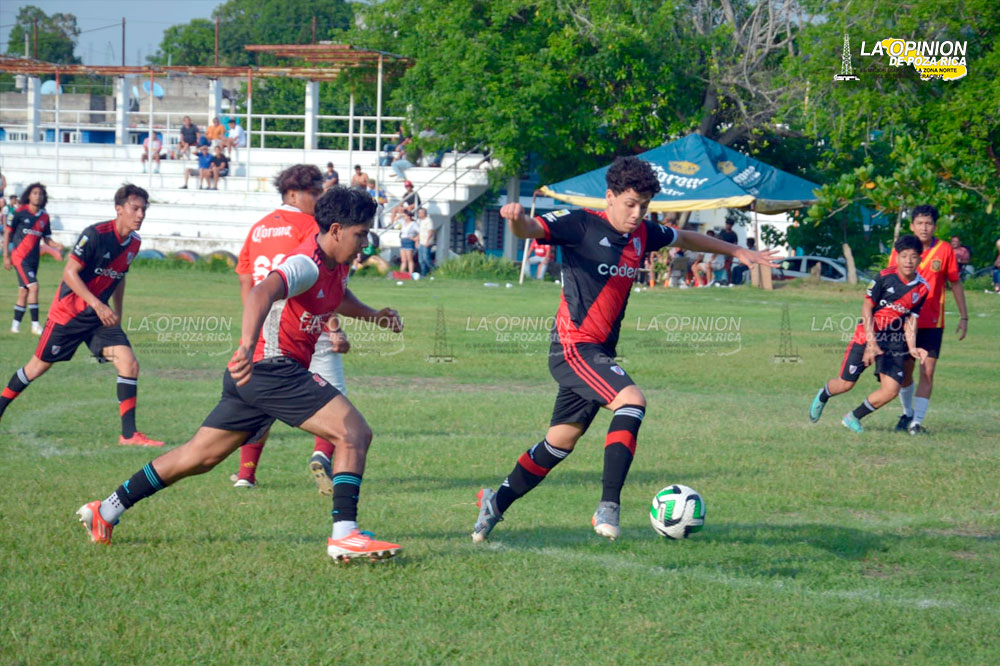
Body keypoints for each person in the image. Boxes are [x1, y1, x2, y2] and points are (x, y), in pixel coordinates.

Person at [76, 187, 404, 561]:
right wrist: (247, 347)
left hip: (257, 378)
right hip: (273, 369)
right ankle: (345, 534)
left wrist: (374, 316)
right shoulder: (307, 262)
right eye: (360, 234)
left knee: (197, 457)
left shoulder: (337, 263)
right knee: (354, 433)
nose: (364, 244)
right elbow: (262, 291)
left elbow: (337, 296)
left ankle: (106, 510)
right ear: (334, 229)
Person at [472, 156, 779, 543]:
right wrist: (515, 218)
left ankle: (494, 502)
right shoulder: (580, 223)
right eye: (630, 204)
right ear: (610, 197)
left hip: (599, 353)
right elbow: (530, 229)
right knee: (632, 401)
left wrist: (738, 253)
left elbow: (683, 238)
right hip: (573, 348)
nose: (637, 214)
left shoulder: (643, 234)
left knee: (559, 442)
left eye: (644, 207)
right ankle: (608, 505)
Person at [0, 184, 163, 447]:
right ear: (119, 209)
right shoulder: (95, 234)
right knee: (36, 368)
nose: (140, 214)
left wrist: (117, 312)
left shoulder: (134, 243)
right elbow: (69, 273)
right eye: (135, 209)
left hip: (99, 319)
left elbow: (120, 277)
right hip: (69, 314)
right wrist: (99, 305)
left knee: (128, 363)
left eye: (144, 209)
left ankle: (129, 435)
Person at [230, 164, 350, 492]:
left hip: (263, 326)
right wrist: (335, 327)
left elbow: (246, 278)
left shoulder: (258, 228)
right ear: (293, 193)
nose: (320, 197)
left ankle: (246, 474)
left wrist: (250, 329)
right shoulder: (312, 226)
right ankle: (322, 457)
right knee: (334, 395)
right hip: (304, 320)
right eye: (315, 191)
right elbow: (322, 278)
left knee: (259, 402)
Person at [809, 235, 930, 433]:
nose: (909, 261)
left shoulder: (922, 287)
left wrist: (912, 347)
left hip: (894, 341)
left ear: (920, 259)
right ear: (896, 257)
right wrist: (872, 343)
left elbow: (911, 319)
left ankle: (853, 417)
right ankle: (824, 394)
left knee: (891, 390)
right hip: (866, 334)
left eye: (914, 256)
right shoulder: (883, 277)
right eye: (904, 256)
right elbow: (867, 308)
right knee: (846, 384)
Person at [889, 205, 969, 434]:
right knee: (904, 372)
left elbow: (954, 282)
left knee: (927, 371)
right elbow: (889, 281)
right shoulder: (900, 248)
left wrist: (964, 317)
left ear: (935, 226)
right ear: (912, 225)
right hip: (904, 322)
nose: (924, 227)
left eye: (929, 223)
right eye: (920, 223)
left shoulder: (944, 250)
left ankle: (916, 424)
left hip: (932, 322)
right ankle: (907, 413)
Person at [4, 183, 64, 334]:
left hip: (33, 259)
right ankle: (35, 325)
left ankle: (15, 326)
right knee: (34, 287)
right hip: (19, 258)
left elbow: (47, 239)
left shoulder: (44, 216)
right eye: (34, 193)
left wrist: (57, 245)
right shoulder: (20, 212)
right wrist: (6, 255)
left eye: (40, 194)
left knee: (24, 291)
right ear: (29, 196)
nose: (37, 196)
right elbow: (7, 233)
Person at [718, 218, 739, 282]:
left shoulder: (734, 235)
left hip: (729, 253)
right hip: (721, 252)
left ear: (732, 225)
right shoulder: (722, 232)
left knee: (727, 268)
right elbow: (718, 240)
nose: (728, 226)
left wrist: (731, 255)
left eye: (730, 225)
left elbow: (735, 246)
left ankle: (729, 281)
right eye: (727, 224)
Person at [416, 208, 435, 275]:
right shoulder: (419, 221)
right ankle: (423, 274)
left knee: (426, 258)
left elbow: (430, 232)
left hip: (426, 242)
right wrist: (417, 241)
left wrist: (428, 241)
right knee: (421, 260)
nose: (418, 214)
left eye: (420, 213)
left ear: (424, 213)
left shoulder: (428, 220)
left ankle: (435, 270)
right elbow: (419, 232)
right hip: (421, 242)